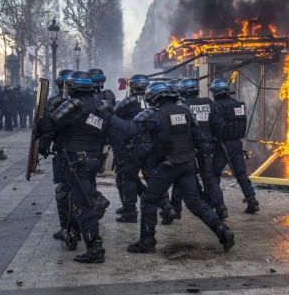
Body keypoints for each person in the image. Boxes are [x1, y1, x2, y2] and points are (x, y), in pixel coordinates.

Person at [97, 82, 235, 254]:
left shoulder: (155, 114)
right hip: (187, 164)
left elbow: (130, 128)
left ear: (154, 98)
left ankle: (147, 242)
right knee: (195, 203)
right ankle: (223, 231)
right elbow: (200, 140)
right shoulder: (184, 111)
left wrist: (107, 116)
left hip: (167, 165)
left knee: (149, 200)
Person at [37, 70, 127, 263]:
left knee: (83, 203)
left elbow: (49, 126)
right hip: (93, 159)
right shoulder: (100, 106)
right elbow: (111, 132)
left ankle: (94, 248)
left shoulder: (72, 104)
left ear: (72, 87)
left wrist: (38, 124)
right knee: (80, 199)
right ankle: (73, 232)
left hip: (75, 161)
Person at [174, 78, 228, 220]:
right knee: (209, 177)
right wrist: (214, 140)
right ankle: (220, 206)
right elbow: (220, 125)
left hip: (189, 148)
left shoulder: (181, 106)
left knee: (184, 176)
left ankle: (177, 209)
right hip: (206, 146)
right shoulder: (209, 104)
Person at [210, 78, 260, 214]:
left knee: (214, 175)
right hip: (237, 144)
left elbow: (214, 126)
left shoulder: (216, 106)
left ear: (215, 92)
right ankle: (252, 201)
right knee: (241, 174)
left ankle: (219, 206)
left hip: (223, 145)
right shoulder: (237, 104)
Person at [40, 69, 75, 245]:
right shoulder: (92, 102)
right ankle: (84, 225)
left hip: (64, 151)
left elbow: (48, 127)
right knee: (85, 188)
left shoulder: (55, 101)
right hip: (89, 153)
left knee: (64, 190)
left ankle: (67, 230)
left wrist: (43, 147)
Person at [113, 74, 153, 223]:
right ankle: (165, 206)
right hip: (150, 144)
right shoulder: (152, 100)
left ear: (134, 87)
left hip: (133, 145)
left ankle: (130, 212)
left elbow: (114, 114)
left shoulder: (130, 100)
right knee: (151, 177)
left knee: (128, 176)